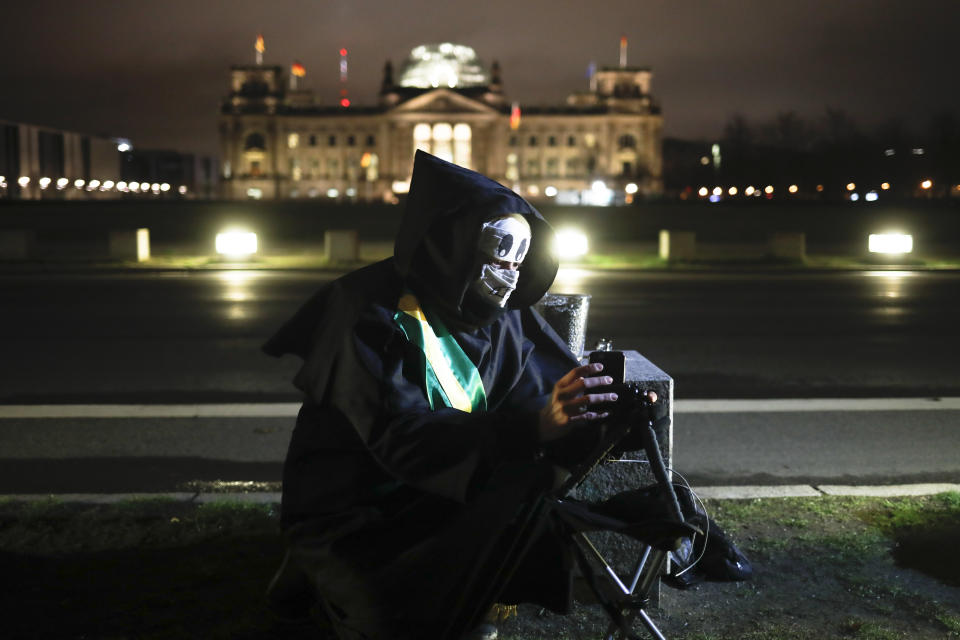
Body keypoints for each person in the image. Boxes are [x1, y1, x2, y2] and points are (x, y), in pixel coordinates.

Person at [263, 151, 737, 640]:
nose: (510, 274)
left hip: (456, 487)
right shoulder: (365, 313)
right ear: (452, 247)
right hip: (361, 503)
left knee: (512, 532)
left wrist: (605, 411)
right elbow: (402, 440)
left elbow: (544, 394)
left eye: (519, 259)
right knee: (394, 617)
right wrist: (532, 426)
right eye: (496, 256)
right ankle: (308, 573)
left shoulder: (503, 312)